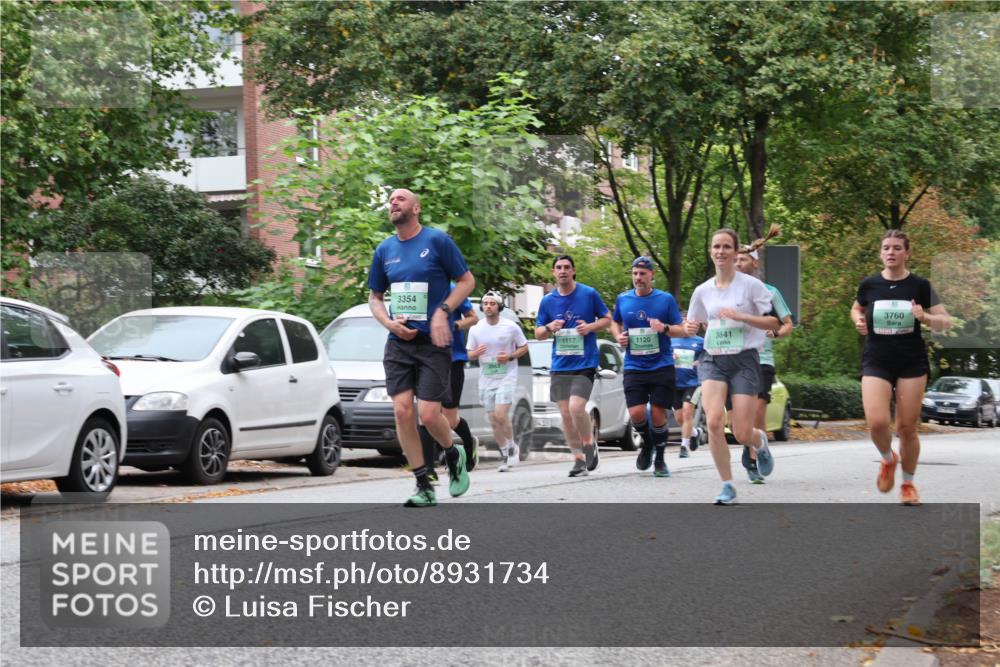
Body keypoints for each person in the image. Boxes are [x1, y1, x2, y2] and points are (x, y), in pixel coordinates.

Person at [368, 188, 475, 507]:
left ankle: (453, 453)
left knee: (429, 415)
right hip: (399, 342)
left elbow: (467, 281)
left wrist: (444, 312)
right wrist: (389, 323)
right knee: (401, 411)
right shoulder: (384, 250)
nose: (393, 203)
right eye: (391, 200)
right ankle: (423, 483)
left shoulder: (437, 241)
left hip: (433, 343)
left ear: (416, 208)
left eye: (400, 199)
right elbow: (375, 297)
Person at [850, 229, 950, 506]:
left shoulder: (919, 285)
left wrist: (925, 317)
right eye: (886, 248)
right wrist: (858, 320)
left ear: (907, 253)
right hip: (877, 358)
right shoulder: (869, 284)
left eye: (896, 248)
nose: (891, 252)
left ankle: (907, 483)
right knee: (878, 422)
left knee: (907, 428)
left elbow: (946, 322)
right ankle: (887, 459)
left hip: (911, 361)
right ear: (881, 253)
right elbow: (856, 308)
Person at [684, 229, 780, 505]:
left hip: (744, 359)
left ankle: (758, 441)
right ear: (711, 251)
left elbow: (774, 323)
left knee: (741, 432)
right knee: (714, 422)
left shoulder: (751, 286)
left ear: (736, 252)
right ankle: (727, 485)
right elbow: (691, 325)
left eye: (727, 246)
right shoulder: (702, 291)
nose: (721, 251)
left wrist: (743, 316)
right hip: (713, 359)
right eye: (716, 246)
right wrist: (689, 327)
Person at [535, 254, 612, 478]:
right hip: (560, 364)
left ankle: (589, 444)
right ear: (553, 272)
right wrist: (549, 326)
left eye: (567, 267)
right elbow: (538, 333)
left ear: (573, 270)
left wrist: (589, 327)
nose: (563, 271)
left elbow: (607, 319)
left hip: (585, 362)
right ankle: (578, 458)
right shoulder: (548, 301)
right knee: (565, 415)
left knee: (576, 408)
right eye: (558, 267)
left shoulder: (588, 294)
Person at [611, 257, 684, 477]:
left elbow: (681, 329)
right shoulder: (623, 299)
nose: (638, 278)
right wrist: (618, 336)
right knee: (636, 413)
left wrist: (664, 328)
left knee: (658, 414)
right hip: (634, 365)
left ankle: (660, 458)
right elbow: (615, 322)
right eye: (635, 273)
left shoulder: (665, 300)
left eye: (642, 274)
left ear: (652, 275)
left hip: (661, 364)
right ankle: (647, 442)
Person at [735, 225, 794, 483]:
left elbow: (788, 323)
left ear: (754, 265)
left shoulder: (770, 292)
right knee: (737, 419)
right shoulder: (725, 291)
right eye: (735, 259)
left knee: (757, 411)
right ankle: (752, 444)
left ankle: (753, 455)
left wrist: (776, 334)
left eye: (743, 259)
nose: (738, 263)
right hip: (733, 359)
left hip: (762, 359)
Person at [418, 285, 478, 479]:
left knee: (449, 419)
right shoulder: (415, 289)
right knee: (426, 414)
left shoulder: (452, 289)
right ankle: (428, 469)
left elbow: (473, 318)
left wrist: (455, 326)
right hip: (426, 359)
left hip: (453, 359)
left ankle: (468, 444)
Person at [466, 291, 529, 472]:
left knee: (501, 415)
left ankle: (511, 449)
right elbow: (468, 353)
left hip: (507, 376)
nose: (488, 306)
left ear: (499, 306)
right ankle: (505, 452)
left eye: (492, 303)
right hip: (486, 378)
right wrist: (476, 354)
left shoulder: (510, 326)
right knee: (493, 420)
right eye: (486, 303)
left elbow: (524, 346)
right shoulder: (476, 328)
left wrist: (509, 356)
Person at [671, 313, 705, 459]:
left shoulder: (700, 342)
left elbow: (708, 359)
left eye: (690, 321)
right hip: (674, 383)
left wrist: (700, 363)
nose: (687, 324)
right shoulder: (671, 340)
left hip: (693, 383)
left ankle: (684, 446)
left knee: (687, 411)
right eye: (683, 321)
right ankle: (695, 433)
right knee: (679, 418)